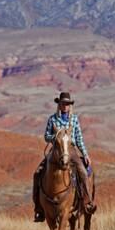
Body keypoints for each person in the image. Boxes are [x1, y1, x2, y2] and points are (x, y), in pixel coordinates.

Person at [33, 92, 96, 222]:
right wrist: (57, 137)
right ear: (59, 104)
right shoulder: (52, 119)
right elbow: (46, 136)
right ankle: (39, 208)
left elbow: (79, 139)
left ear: (70, 105)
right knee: (37, 173)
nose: (65, 106)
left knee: (83, 172)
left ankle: (87, 201)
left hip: (71, 150)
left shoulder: (74, 119)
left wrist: (85, 154)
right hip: (56, 149)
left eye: (67, 104)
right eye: (63, 103)